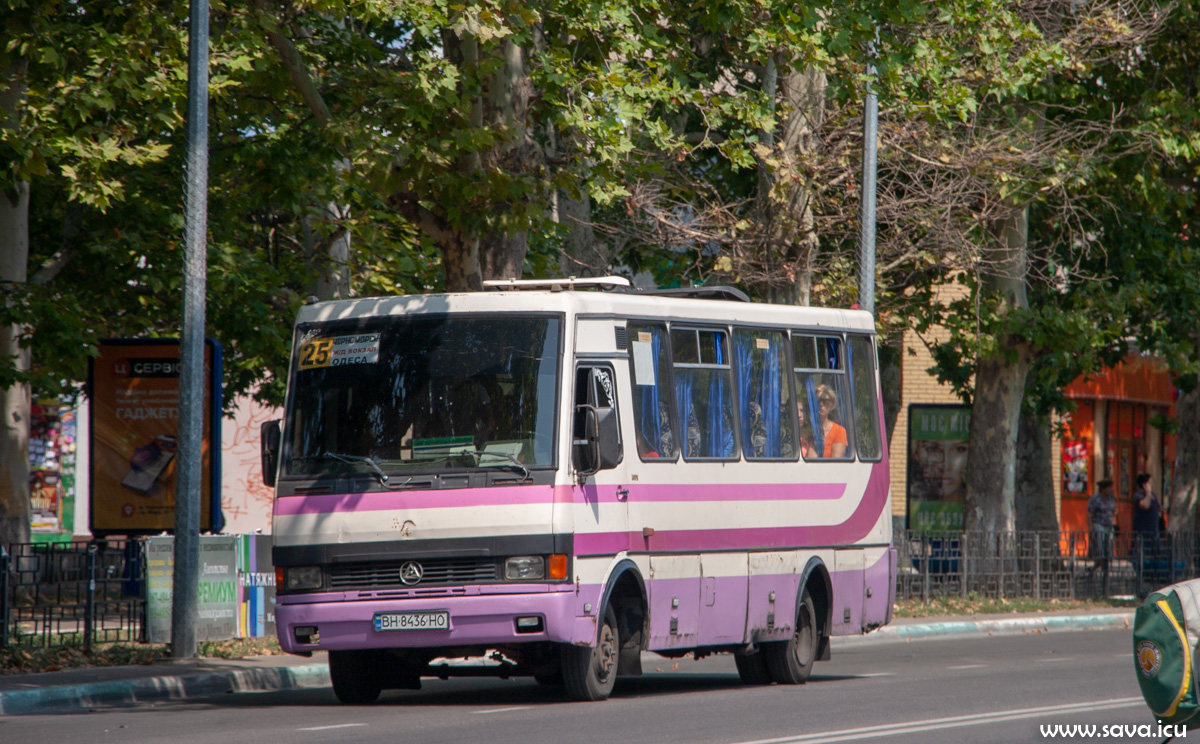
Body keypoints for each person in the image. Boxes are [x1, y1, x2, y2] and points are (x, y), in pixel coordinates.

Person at [1087, 478, 1116, 572]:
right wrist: (1090, 527)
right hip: (1099, 524)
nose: (1111, 490)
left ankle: (1104, 567)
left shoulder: (1111, 497)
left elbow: (1114, 508)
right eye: (1109, 488)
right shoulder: (1095, 499)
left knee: (1108, 546)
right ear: (1103, 489)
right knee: (1100, 546)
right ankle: (1098, 564)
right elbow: (1089, 513)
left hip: (1109, 525)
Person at [815, 384, 848, 458]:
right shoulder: (807, 428)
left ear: (831, 405)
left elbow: (836, 462)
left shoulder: (839, 431)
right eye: (818, 400)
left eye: (826, 401)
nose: (821, 404)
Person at [1132, 473, 1162, 554]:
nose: (1151, 484)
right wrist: (1148, 493)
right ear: (1144, 484)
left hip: (1153, 528)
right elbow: (1145, 506)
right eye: (1149, 483)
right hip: (1143, 528)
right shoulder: (1138, 495)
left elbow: (1157, 507)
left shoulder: (1153, 495)